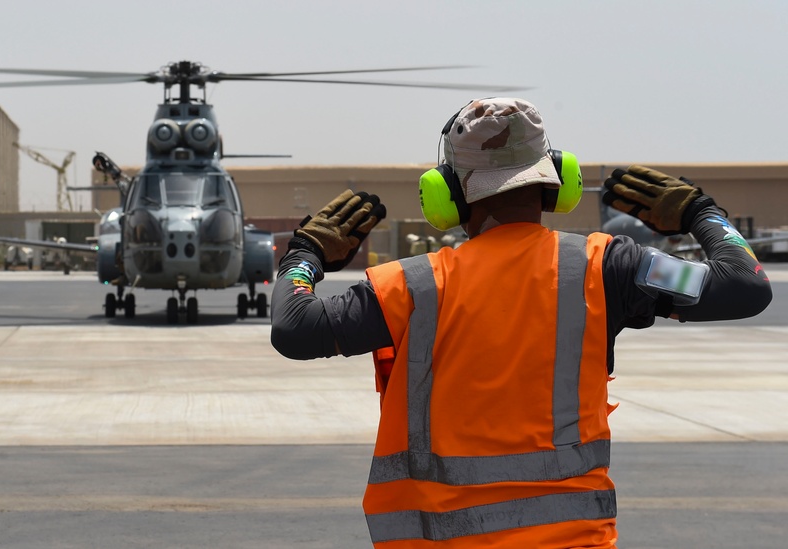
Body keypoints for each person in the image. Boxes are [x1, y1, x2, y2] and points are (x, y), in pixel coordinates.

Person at [270, 97, 772, 548]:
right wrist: (702, 213)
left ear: (447, 192)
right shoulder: (611, 266)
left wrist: (304, 255)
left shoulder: (409, 284)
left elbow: (296, 328)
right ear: (556, 179)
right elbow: (744, 285)